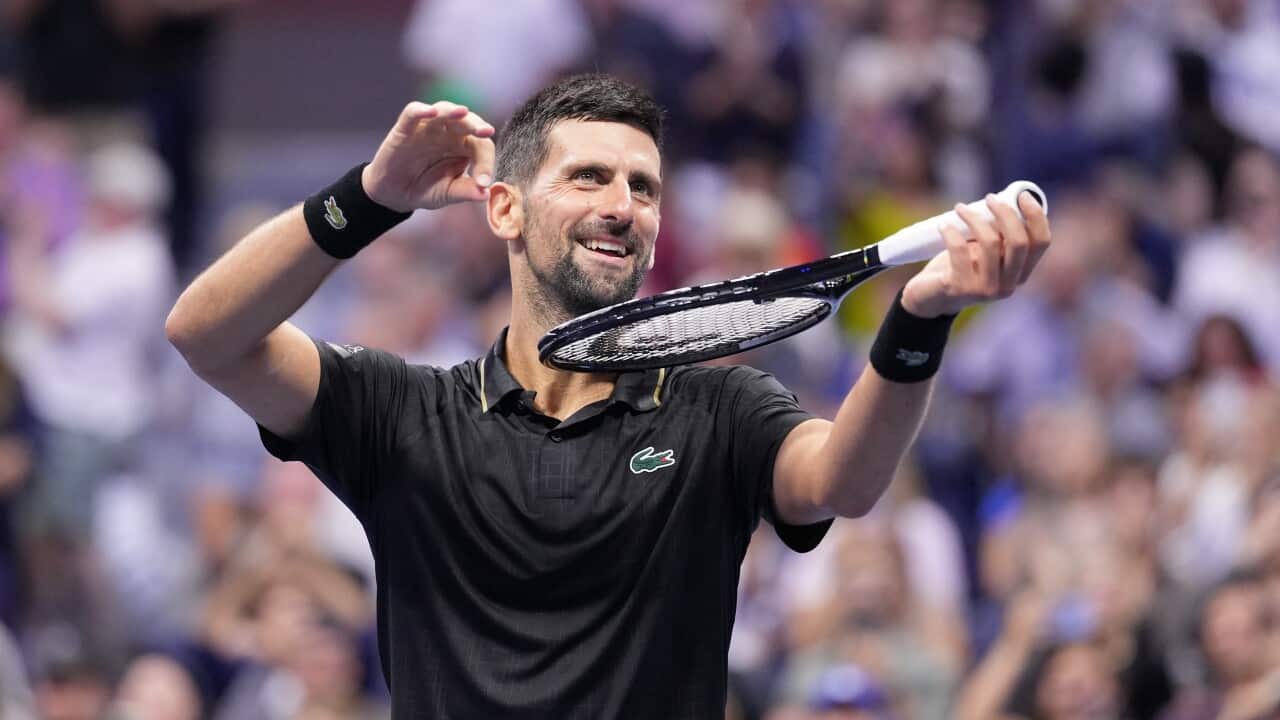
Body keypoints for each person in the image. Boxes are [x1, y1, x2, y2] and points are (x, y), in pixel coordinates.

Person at [166, 74, 1052, 717]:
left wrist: (921, 316)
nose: (624, 204)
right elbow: (206, 332)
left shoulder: (718, 412)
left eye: (644, 187)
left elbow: (843, 482)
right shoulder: (402, 412)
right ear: (505, 208)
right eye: (589, 177)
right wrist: (369, 198)